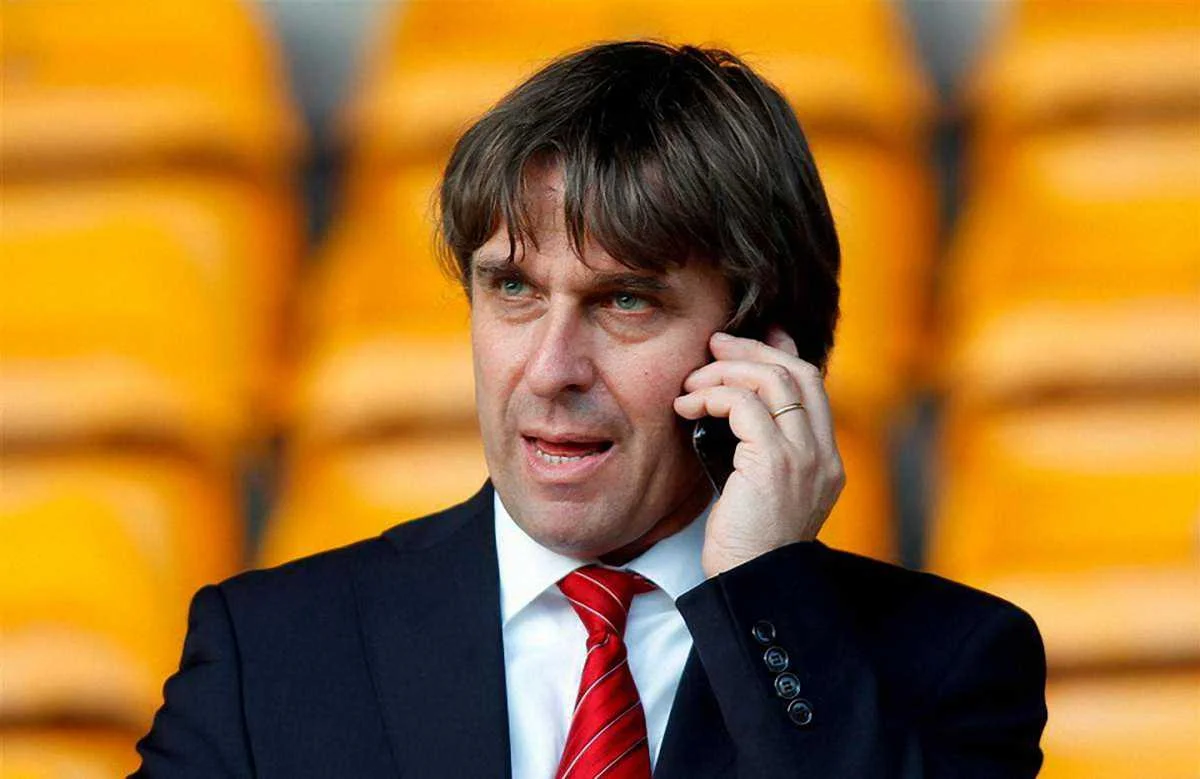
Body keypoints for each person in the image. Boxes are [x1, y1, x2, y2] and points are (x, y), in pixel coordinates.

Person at [133, 41, 1047, 778]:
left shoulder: (953, 662)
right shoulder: (271, 652)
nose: (549, 370)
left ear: (760, 355)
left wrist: (766, 594)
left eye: (625, 301)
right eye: (514, 289)